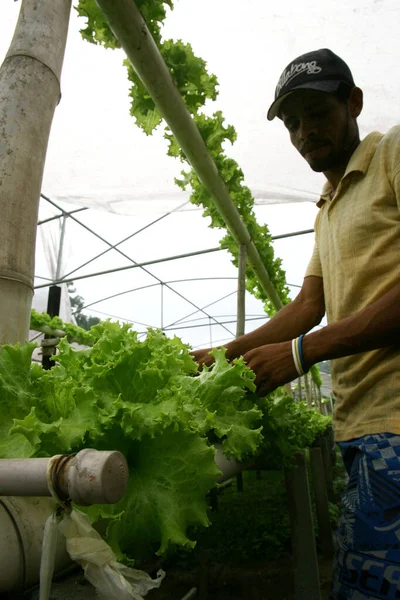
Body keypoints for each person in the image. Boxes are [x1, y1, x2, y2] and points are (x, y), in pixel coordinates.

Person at [192, 49, 400, 600]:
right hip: (358, 426)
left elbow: (306, 333)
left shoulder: (391, 155)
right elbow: (308, 306)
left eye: (316, 112)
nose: (304, 131)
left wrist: (301, 354)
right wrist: (225, 354)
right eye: (291, 122)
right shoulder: (327, 206)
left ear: (352, 102)